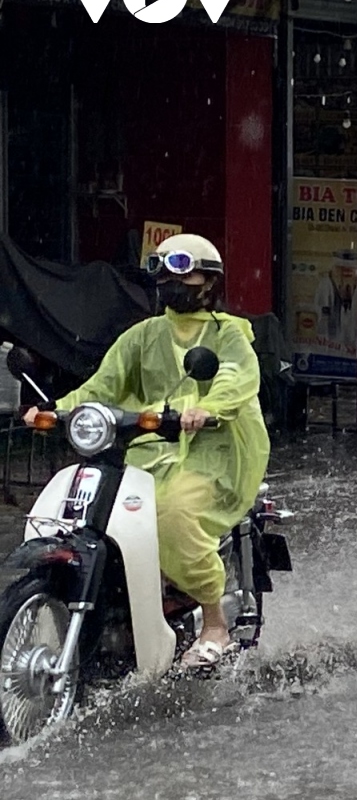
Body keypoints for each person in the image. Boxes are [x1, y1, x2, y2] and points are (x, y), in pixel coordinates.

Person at [23, 234, 270, 672]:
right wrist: (54, 410)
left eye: (184, 271)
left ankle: (215, 624)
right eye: (164, 271)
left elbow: (236, 378)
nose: (173, 282)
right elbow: (102, 387)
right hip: (147, 450)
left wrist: (206, 409)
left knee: (172, 515)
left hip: (215, 452)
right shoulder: (143, 336)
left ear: (209, 281)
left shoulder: (228, 334)